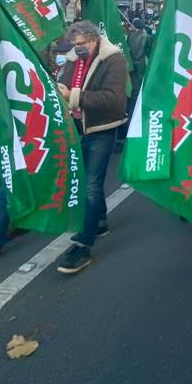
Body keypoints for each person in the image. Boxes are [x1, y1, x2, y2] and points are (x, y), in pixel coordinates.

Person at [56, 22, 129, 274]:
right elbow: (63, 85)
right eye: (75, 45)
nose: (78, 50)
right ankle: (99, 221)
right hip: (76, 128)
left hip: (102, 128)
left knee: (91, 185)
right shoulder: (71, 59)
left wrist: (72, 97)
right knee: (85, 180)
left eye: (82, 45)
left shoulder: (113, 60)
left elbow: (112, 98)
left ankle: (84, 244)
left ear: (94, 40)